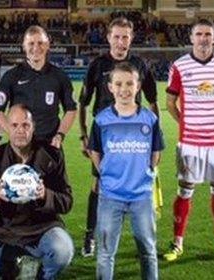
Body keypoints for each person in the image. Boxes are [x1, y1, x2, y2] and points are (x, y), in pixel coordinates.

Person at [163, 19, 214, 262]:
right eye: (199, 34)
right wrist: (187, 124)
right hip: (189, 142)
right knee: (185, 190)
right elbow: (170, 103)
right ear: (191, 38)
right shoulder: (179, 66)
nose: (203, 38)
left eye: (207, 34)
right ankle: (177, 243)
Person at [77, 17, 159, 257]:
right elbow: (83, 103)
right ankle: (91, 234)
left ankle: (142, 239)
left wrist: (155, 141)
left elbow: (153, 103)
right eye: (116, 36)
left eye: (125, 37)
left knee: (137, 185)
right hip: (104, 136)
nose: (121, 41)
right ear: (108, 37)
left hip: (136, 137)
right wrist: (84, 135)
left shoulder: (140, 65)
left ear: (131, 39)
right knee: (99, 183)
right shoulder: (97, 65)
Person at [0, 104, 74, 279]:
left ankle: (42, 276)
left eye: (25, 125)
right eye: (14, 125)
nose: (20, 130)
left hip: (43, 227)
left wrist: (46, 195)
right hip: (5, 230)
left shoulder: (51, 155)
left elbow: (67, 201)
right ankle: (11, 271)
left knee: (62, 252)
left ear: (33, 128)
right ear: (7, 127)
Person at [89, 62, 163, 280]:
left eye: (129, 84)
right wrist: (105, 171)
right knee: (105, 253)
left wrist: (146, 171)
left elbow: (156, 153)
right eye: (119, 84)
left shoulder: (150, 119)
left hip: (141, 195)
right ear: (110, 87)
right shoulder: (102, 120)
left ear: (138, 86)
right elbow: (95, 150)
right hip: (110, 196)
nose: (124, 89)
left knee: (148, 251)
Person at [0, 25, 77, 149]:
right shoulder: (11, 76)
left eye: (40, 43)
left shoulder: (60, 76)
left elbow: (71, 110)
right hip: (20, 147)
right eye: (31, 43)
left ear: (47, 45)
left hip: (50, 145)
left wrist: (59, 135)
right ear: (24, 46)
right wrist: (13, 133)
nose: (36, 48)